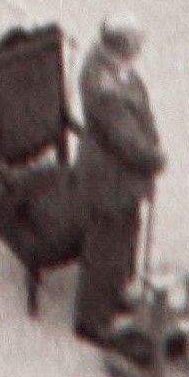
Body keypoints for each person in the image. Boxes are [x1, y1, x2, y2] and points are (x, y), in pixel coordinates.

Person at [72, 19, 166, 341]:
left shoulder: (110, 64)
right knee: (105, 247)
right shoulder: (105, 85)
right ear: (122, 45)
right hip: (109, 177)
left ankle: (117, 293)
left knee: (125, 236)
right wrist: (154, 158)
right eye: (136, 44)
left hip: (123, 177)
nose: (140, 50)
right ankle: (92, 320)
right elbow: (125, 138)